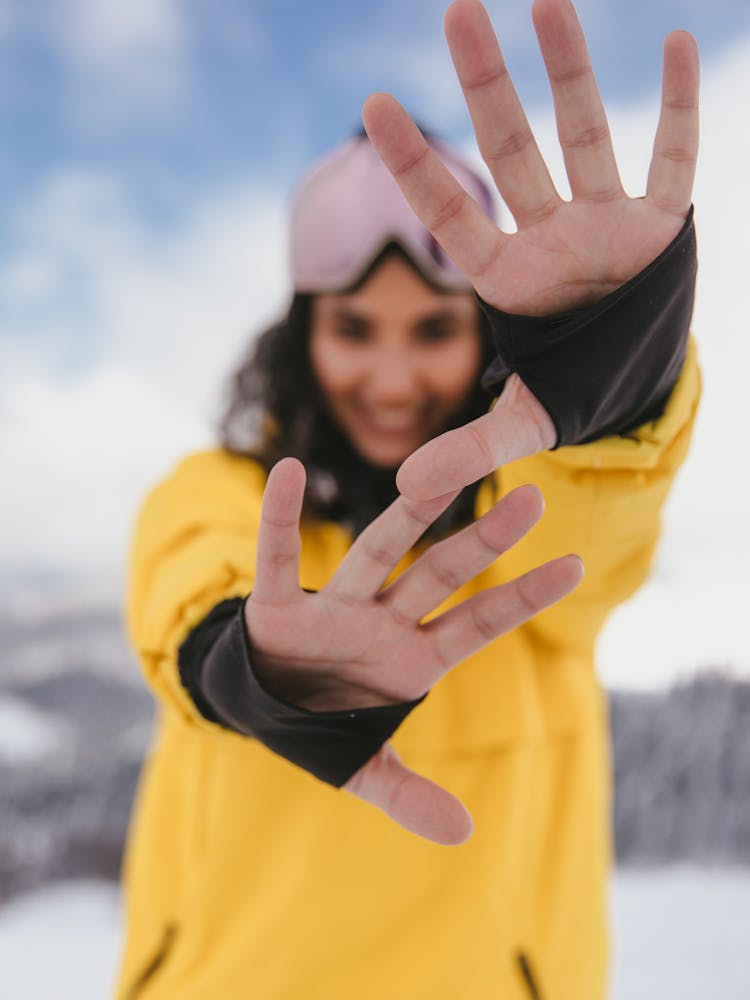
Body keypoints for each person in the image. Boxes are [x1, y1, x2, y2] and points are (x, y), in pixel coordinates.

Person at [115, 0, 700, 997]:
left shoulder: (522, 521)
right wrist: (252, 666)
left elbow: (598, 521)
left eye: (432, 329)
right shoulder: (222, 493)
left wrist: (608, 392)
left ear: (480, 336)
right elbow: (189, 581)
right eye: (355, 328)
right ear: (305, 338)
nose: (391, 379)